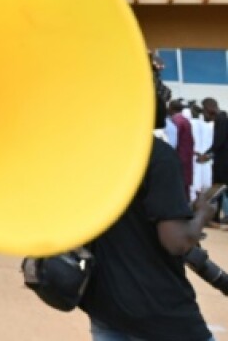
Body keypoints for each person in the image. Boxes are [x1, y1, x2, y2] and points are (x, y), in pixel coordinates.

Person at [78, 59, 215, 340]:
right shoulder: (158, 155)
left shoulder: (90, 153)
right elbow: (175, 241)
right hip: (160, 311)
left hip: (106, 307)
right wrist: (202, 213)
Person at [169, 101, 195, 194]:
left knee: (179, 187)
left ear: (171, 108)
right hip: (187, 157)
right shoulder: (185, 120)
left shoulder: (176, 121)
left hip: (179, 157)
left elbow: (173, 140)